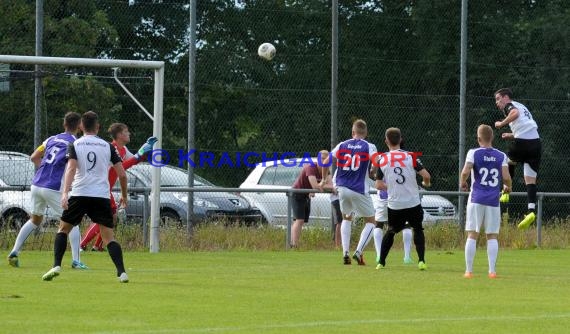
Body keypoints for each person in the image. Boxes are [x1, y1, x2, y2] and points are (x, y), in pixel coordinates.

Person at [42, 111, 130, 283]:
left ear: (82, 127)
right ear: (98, 127)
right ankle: (122, 273)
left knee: (63, 229)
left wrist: (65, 192)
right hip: (101, 196)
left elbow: (71, 168)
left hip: (80, 193)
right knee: (108, 238)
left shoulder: (76, 144)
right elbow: (122, 174)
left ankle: (56, 265)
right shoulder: (108, 146)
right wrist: (124, 196)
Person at [7, 112, 88, 269]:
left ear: (64, 124)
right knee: (72, 222)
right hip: (53, 186)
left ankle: (14, 251)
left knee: (35, 220)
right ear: (79, 126)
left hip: (37, 184)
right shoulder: (75, 143)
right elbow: (74, 166)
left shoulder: (51, 139)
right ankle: (76, 261)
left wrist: (44, 169)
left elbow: (34, 157)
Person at [80, 123, 157, 251]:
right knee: (106, 217)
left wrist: (144, 152)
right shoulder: (110, 148)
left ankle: (97, 246)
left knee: (112, 217)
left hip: (105, 188)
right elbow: (121, 168)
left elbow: (133, 161)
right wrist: (139, 154)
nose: (129, 134)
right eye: (126, 132)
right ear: (120, 135)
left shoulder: (123, 150)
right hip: (100, 187)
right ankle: (82, 244)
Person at [321, 119, 378, 265]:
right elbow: (376, 161)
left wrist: (322, 179)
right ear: (365, 133)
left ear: (353, 132)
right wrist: (373, 171)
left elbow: (326, 160)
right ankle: (358, 252)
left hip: (342, 188)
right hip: (359, 188)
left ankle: (345, 253)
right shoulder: (369, 146)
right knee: (371, 222)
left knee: (346, 218)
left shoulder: (342, 145)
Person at [375, 127, 431, 270]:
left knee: (391, 231)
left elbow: (378, 184)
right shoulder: (411, 156)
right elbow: (426, 176)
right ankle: (421, 261)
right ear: (401, 140)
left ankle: (381, 262)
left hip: (395, 204)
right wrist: (426, 183)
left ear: (386, 141)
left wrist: (392, 187)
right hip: (412, 202)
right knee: (417, 229)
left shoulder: (382, 158)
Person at [460, 124, 511, 279]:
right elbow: (507, 178)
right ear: (492, 138)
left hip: (476, 198)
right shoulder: (501, 155)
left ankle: (469, 271)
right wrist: (508, 187)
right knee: (492, 235)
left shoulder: (473, 153)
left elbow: (465, 171)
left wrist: (463, 182)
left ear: (479, 138)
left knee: (472, 234)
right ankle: (492, 271)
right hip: (493, 201)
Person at [493, 88, 541, 229]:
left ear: (506, 97)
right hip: (536, 144)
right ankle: (531, 211)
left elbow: (515, 113)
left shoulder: (510, 106)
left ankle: (506, 191)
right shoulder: (522, 106)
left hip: (523, 142)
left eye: (498, 99)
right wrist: (511, 135)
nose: (497, 103)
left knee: (509, 163)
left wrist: (501, 124)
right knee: (530, 180)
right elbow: (527, 128)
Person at [289, 150, 330, 248]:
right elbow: (315, 186)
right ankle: (294, 245)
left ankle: (293, 243)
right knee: (299, 220)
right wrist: (321, 186)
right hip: (297, 193)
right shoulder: (311, 167)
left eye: (326, 159)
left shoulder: (327, 170)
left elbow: (330, 184)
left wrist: (321, 186)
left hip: (306, 195)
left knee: (300, 221)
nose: (324, 161)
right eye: (322, 158)